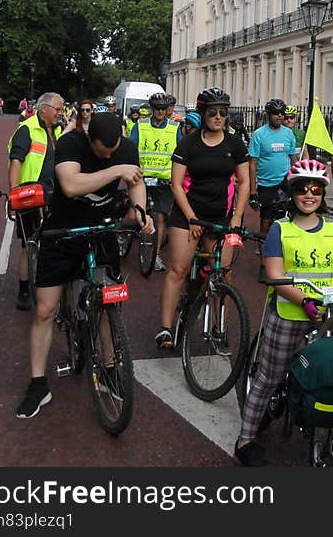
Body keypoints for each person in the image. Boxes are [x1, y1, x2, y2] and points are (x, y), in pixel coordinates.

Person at [16, 112, 154, 419]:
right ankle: (38, 384)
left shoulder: (126, 150)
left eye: (113, 151)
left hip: (103, 229)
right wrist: (116, 169)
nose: (107, 156)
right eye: (102, 152)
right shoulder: (71, 143)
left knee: (109, 301)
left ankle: (108, 368)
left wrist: (140, 210)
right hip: (63, 231)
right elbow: (70, 185)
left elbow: (136, 183)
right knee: (44, 310)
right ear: (89, 139)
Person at [234, 159, 333, 466]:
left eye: (315, 189)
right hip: (288, 315)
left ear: (323, 193)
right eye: (301, 189)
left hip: (327, 317)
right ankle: (245, 439)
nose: (308, 195)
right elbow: (275, 275)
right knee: (270, 377)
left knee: (328, 380)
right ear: (292, 193)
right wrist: (303, 301)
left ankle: (327, 439)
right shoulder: (280, 230)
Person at [156, 87, 250, 348]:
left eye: (223, 112)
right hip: (188, 216)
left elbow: (244, 182)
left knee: (222, 275)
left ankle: (220, 329)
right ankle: (165, 329)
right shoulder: (188, 143)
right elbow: (176, 185)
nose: (218, 117)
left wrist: (237, 218)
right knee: (178, 269)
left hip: (221, 218)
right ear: (203, 114)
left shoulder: (235, 143)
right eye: (212, 112)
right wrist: (191, 218)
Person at [6, 92, 61, 310]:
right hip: (30, 195)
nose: (60, 113)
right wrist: (13, 194)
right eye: (57, 109)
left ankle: (50, 283)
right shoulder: (27, 129)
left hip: (53, 193)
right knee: (27, 244)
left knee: (52, 240)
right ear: (44, 109)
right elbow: (16, 161)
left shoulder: (56, 129)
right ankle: (23, 289)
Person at [130, 91, 182, 271]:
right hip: (141, 178)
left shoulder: (175, 128)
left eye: (163, 108)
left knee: (161, 217)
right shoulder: (140, 124)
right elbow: (132, 148)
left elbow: (179, 156)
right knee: (134, 214)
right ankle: (122, 236)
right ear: (152, 109)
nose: (160, 111)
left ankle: (156, 254)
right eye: (157, 108)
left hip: (164, 179)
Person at [248, 98, 297, 267]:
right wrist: (252, 190)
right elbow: (252, 163)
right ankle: (263, 264)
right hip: (266, 184)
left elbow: (293, 158)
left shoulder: (288, 134)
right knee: (266, 223)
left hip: (285, 183)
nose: (280, 116)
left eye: (282, 113)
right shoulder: (259, 134)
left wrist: (298, 178)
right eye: (276, 113)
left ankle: (282, 259)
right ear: (268, 115)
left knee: (285, 221)